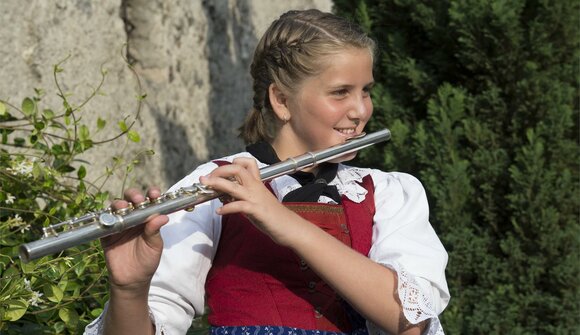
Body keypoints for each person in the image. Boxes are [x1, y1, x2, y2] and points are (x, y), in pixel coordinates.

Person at [85, 8, 449, 335]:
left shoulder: (388, 193)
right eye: (340, 93)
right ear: (282, 100)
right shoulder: (216, 185)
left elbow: (410, 321)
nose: (360, 110)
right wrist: (129, 290)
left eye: (365, 91)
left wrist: (285, 222)